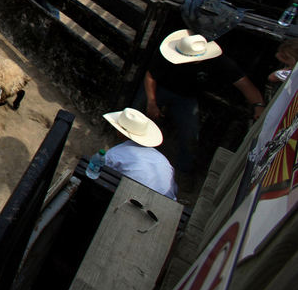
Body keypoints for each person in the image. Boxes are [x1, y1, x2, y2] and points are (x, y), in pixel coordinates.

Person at [138, 29, 264, 175]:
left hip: (187, 99)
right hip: (161, 88)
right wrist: (151, 102)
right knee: (137, 115)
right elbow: (150, 76)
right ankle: (129, 148)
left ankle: (183, 172)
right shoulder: (166, 54)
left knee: (190, 135)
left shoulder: (219, 61)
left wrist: (259, 105)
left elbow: (244, 83)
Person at [102, 108, 177, 200]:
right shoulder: (163, 159)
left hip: (131, 201)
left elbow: (101, 175)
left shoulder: (114, 154)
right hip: (166, 205)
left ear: (120, 132)